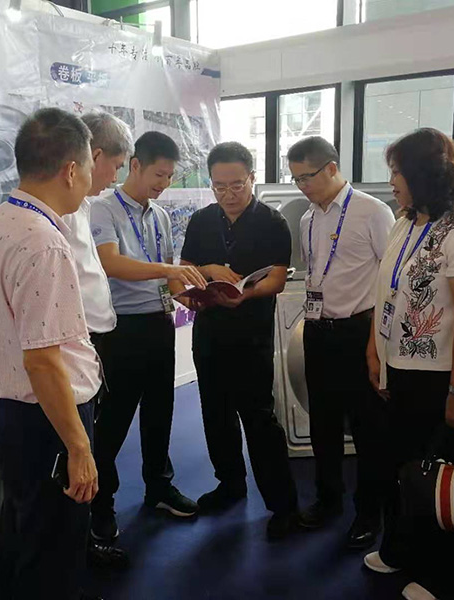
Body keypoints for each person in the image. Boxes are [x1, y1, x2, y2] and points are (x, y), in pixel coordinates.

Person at [0, 107, 103, 600]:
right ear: (71, 169)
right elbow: (43, 360)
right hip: (48, 417)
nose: (91, 178)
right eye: (91, 166)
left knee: (26, 532)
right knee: (55, 545)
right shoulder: (44, 243)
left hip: (12, 413)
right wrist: (79, 448)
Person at [363, 128, 454, 600]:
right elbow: (387, 295)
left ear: (422, 174)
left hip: (447, 378)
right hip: (402, 371)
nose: (392, 182)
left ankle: (448, 583)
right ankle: (402, 550)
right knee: (403, 471)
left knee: (446, 482)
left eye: (397, 172)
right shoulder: (405, 223)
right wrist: (376, 351)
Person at [89, 131, 207, 542]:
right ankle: (100, 504)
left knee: (160, 412)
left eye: (170, 176)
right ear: (135, 165)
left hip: (159, 322)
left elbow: (168, 276)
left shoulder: (160, 216)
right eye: (159, 174)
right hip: (121, 329)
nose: (164, 183)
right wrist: (169, 272)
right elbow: (110, 263)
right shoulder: (102, 209)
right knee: (113, 422)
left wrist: (195, 296)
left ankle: (159, 486)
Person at [179, 141, 299, 540]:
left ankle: (282, 504)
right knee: (215, 414)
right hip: (209, 333)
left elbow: (277, 278)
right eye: (219, 186)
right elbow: (185, 268)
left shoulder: (272, 222)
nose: (228, 194)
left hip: (251, 336)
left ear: (252, 178)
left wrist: (245, 294)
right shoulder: (201, 221)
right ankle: (230, 484)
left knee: (259, 418)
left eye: (236, 185)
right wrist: (207, 271)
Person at [287, 136, 395, 549]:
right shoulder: (308, 218)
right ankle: (328, 499)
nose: (302, 186)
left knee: (369, 428)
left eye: (307, 177)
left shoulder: (373, 212)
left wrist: (377, 342)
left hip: (359, 332)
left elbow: (390, 281)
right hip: (318, 331)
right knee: (324, 422)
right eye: (296, 179)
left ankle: (369, 512)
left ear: (332, 168)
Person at [64, 110, 134, 569]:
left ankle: (84, 536)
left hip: (93, 340)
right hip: (70, 345)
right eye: (115, 166)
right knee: (75, 452)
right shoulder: (54, 215)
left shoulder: (85, 206)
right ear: (94, 156)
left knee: (90, 442)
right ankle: (76, 551)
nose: (115, 177)